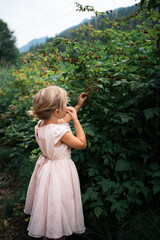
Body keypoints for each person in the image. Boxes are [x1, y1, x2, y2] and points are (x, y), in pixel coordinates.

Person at [24, 86, 88, 240]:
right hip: (60, 172)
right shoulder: (60, 132)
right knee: (60, 200)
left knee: (50, 201)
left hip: (47, 169)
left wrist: (78, 106)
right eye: (66, 104)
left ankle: (50, 230)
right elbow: (81, 144)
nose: (68, 106)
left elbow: (61, 121)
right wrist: (76, 120)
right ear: (57, 112)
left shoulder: (41, 125)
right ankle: (57, 234)